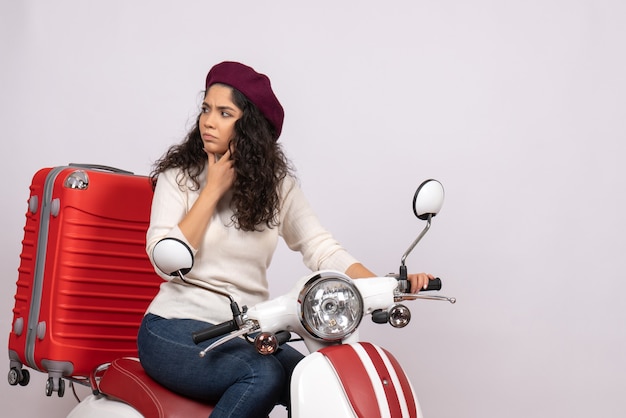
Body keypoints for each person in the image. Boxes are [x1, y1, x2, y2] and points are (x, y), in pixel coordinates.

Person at [137, 61, 435, 418]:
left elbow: (320, 248)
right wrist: (212, 189)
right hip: (175, 329)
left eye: (224, 112)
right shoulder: (179, 179)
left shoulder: (277, 188)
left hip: (247, 328)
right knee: (260, 375)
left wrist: (387, 286)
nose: (208, 121)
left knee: (317, 376)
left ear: (248, 126)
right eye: (206, 109)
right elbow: (165, 260)